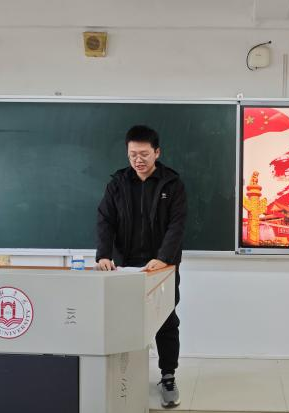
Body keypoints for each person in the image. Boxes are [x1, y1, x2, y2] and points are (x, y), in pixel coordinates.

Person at [96, 125, 187, 408]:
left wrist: (164, 258)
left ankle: (168, 376)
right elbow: (105, 219)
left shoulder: (172, 184)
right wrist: (104, 255)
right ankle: (126, 375)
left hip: (161, 266)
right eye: (132, 154)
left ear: (157, 152)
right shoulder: (118, 183)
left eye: (144, 154)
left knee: (166, 321)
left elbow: (177, 225)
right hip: (125, 266)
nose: (138, 160)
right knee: (125, 320)